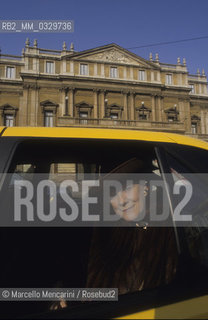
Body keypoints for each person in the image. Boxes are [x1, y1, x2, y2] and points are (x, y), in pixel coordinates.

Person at [86, 157, 178, 295]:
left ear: (145, 187)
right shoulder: (105, 228)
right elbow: (92, 288)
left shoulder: (169, 228)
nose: (121, 201)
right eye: (112, 194)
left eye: (127, 188)